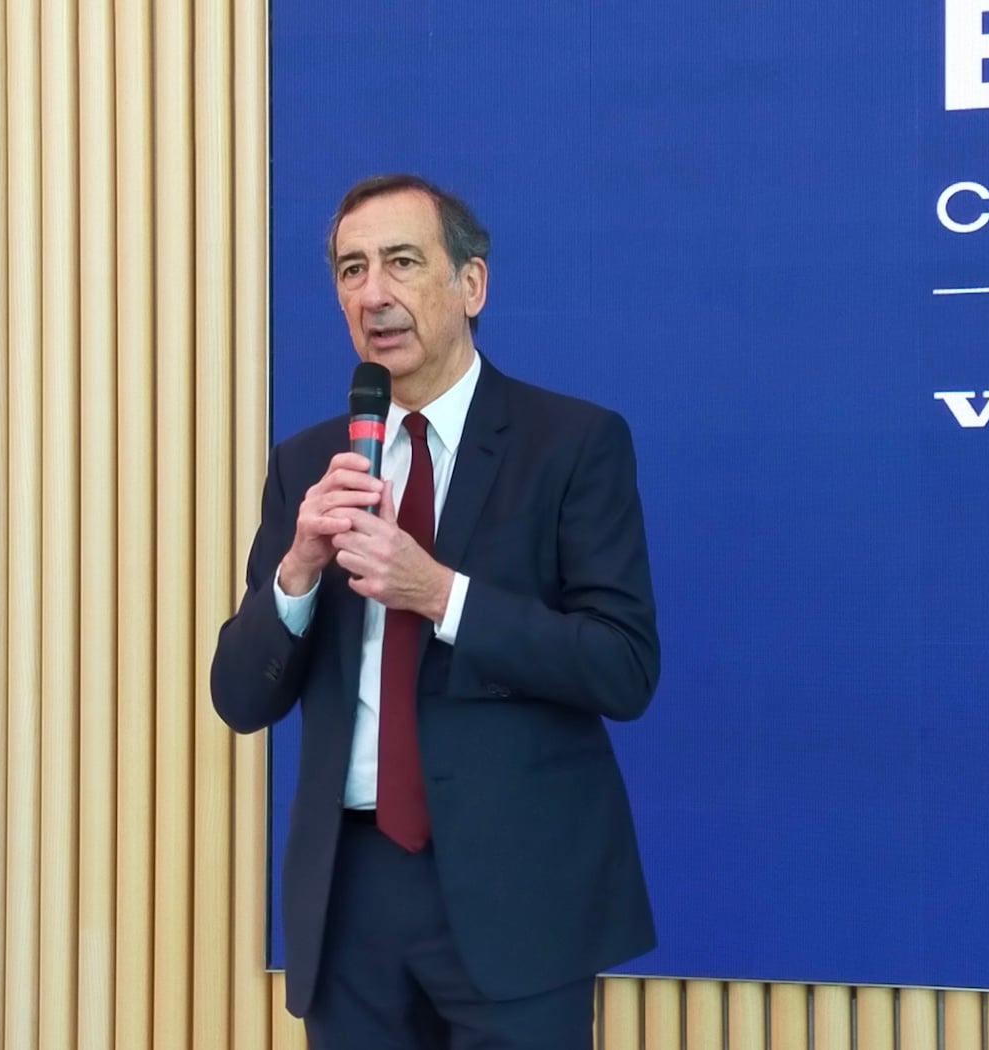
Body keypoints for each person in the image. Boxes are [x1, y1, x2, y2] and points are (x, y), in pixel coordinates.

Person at [211, 173, 660, 1049]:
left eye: (402, 262)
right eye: (351, 270)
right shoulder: (310, 462)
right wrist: (298, 570)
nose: (372, 293)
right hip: (348, 896)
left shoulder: (571, 444)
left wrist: (439, 594)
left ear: (471, 283)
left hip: (516, 894)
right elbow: (240, 697)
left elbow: (623, 665)